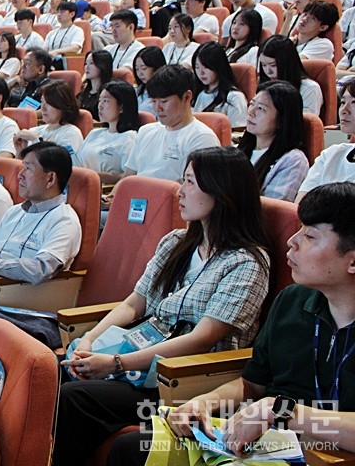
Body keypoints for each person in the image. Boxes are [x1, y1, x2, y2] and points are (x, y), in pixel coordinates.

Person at [53, 147, 271, 465]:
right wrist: (88, 340)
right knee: (60, 371)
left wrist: (117, 363)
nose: (180, 192)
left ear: (222, 192)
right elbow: (134, 303)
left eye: (190, 183)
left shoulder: (247, 262)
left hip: (180, 379)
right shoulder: (175, 243)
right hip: (139, 354)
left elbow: (203, 338)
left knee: (75, 398)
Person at [125, 182, 355, 465]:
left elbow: (275, 406)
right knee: (130, 449)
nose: (292, 241)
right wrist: (203, 402)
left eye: (309, 236)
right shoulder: (293, 301)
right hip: (269, 443)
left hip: (327, 453)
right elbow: (252, 385)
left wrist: (281, 411)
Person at [0, 140, 81, 285]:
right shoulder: (14, 211)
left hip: (10, 295)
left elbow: (40, 269)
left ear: (50, 178)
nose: (20, 175)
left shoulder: (64, 220)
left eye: (28, 168)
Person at [123, 65, 220, 182]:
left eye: (164, 101)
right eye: (154, 101)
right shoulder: (146, 131)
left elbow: (191, 190)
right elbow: (128, 177)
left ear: (187, 97)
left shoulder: (202, 138)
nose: (157, 108)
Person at [237, 81, 310, 201]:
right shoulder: (238, 149)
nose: (251, 112)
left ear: (282, 119)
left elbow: (274, 211)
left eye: (261, 108)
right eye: (252, 104)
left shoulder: (293, 160)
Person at [297, 81, 355, 200]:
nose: (344, 110)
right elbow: (301, 204)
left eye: (354, 103)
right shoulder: (331, 154)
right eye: (343, 102)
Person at [76, 80, 141, 184]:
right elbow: (77, 163)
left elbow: (128, 176)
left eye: (105, 101)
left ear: (121, 107)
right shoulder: (95, 133)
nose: (99, 106)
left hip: (104, 191)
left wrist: (93, 176)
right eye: (100, 100)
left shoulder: (130, 137)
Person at [257, 35, 324, 116]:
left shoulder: (309, 88)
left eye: (273, 65)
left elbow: (305, 124)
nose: (268, 71)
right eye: (264, 65)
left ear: (287, 63)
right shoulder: (264, 85)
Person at [14, 79, 84, 155]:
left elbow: (62, 163)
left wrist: (37, 140)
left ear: (63, 105)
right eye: (42, 101)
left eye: (48, 103)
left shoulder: (72, 133)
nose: (43, 108)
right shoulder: (34, 131)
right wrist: (20, 152)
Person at [192, 41, 249, 129]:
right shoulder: (200, 94)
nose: (201, 72)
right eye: (197, 67)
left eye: (206, 67)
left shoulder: (234, 97)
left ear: (218, 66)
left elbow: (238, 132)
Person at [77, 50, 114, 120]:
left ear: (102, 65)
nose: (87, 67)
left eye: (91, 63)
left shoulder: (110, 93)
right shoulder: (83, 93)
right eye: (85, 63)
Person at [133, 46, 167, 114]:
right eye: (137, 69)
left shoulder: (165, 94)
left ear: (156, 67)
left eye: (144, 68)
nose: (140, 73)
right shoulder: (138, 90)